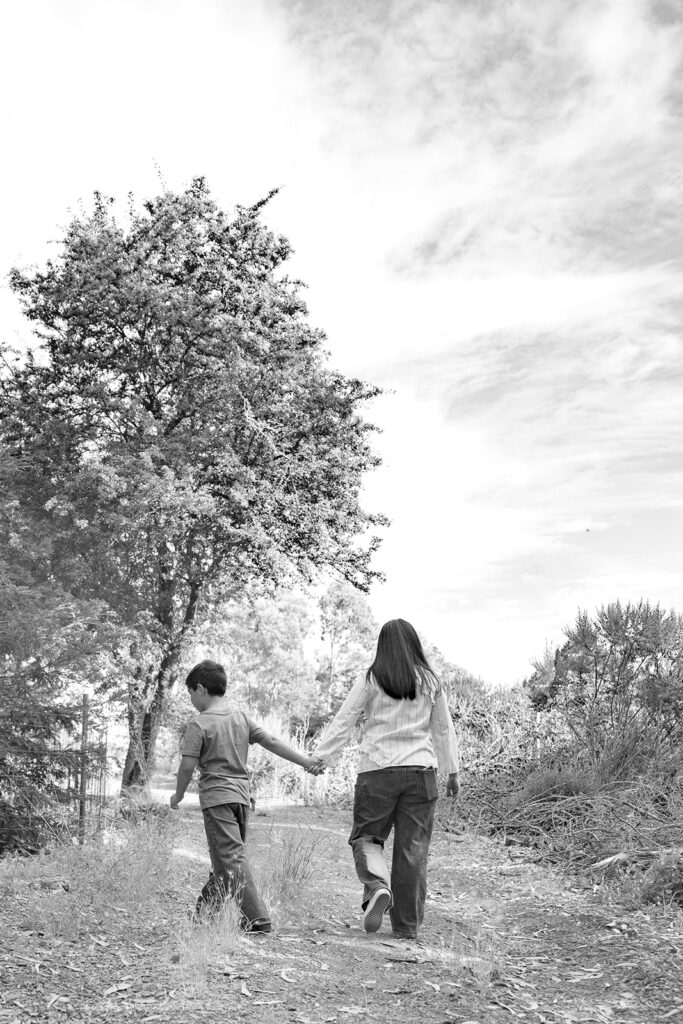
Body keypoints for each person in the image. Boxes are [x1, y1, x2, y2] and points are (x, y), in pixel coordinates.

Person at [311, 619, 461, 940]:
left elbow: (345, 719)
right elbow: (443, 729)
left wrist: (322, 758)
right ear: (413, 645)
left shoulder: (372, 678)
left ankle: (378, 886)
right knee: (412, 850)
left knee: (367, 838)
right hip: (422, 773)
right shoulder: (431, 681)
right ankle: (406, 929)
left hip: (377, 771)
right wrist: (453, 771)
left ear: (384, 647)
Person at [170, 659, 322, 932]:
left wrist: (178, 795)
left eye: (191, 693)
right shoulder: (240, 718)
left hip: (217, 799)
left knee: (230, 858)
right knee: (225, 859)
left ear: (201, 689)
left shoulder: (199, 724)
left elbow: (187, 765)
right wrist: (306, 761)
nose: (191, 699)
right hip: (241, 799)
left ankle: (258, 919)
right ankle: (204, 916)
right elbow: (272, 742)